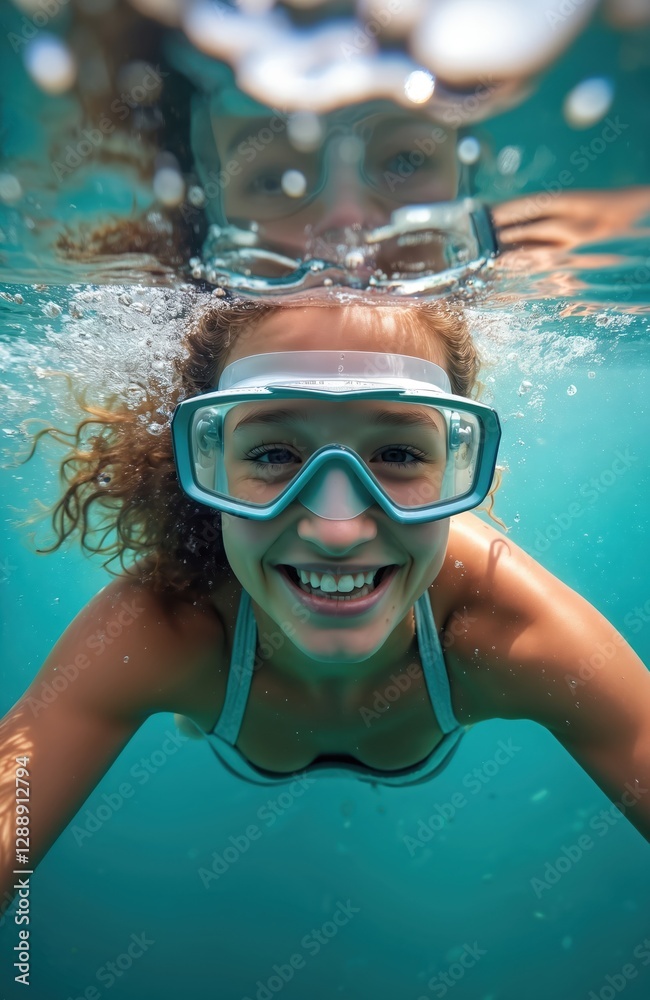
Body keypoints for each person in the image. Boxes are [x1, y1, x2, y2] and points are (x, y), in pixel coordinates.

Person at [1, 295, 649, 917]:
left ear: (458, 463)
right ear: (209, 463)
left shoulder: (497, 622)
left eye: (397, 454)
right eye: (275, 454)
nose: (337, 530)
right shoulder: (171, 626)